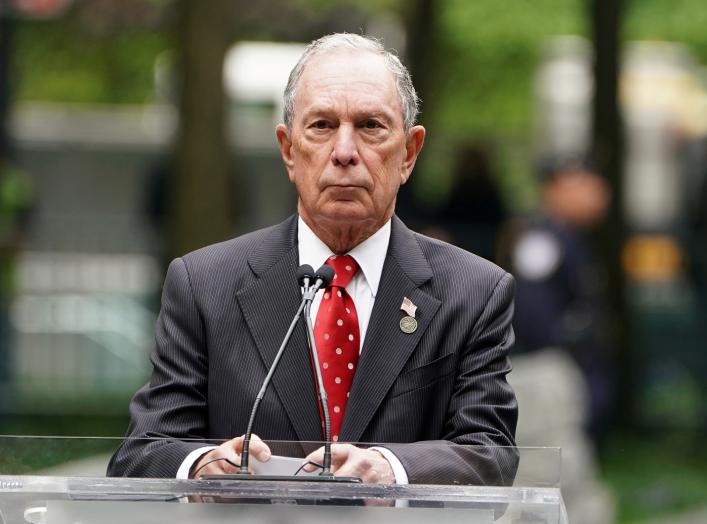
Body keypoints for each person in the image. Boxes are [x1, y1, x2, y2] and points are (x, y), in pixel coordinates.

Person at [108, 33, 517, 486]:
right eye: (322, 125)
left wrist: (391, 467)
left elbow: (490, 452)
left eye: (370, 126)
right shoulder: (204, 284)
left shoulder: (474, 291)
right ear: (288, 149)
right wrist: (202, 465)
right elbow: (143, 452)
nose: (344, 152)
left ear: (409, 153)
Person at [498, 156, 615, 445]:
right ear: (555, 188)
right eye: (582, 182)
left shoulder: (570, 237)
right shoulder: (542, 240)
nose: (596, 191)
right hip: (552, 373)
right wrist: (566, 354)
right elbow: (534, 315)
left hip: (573, 368)